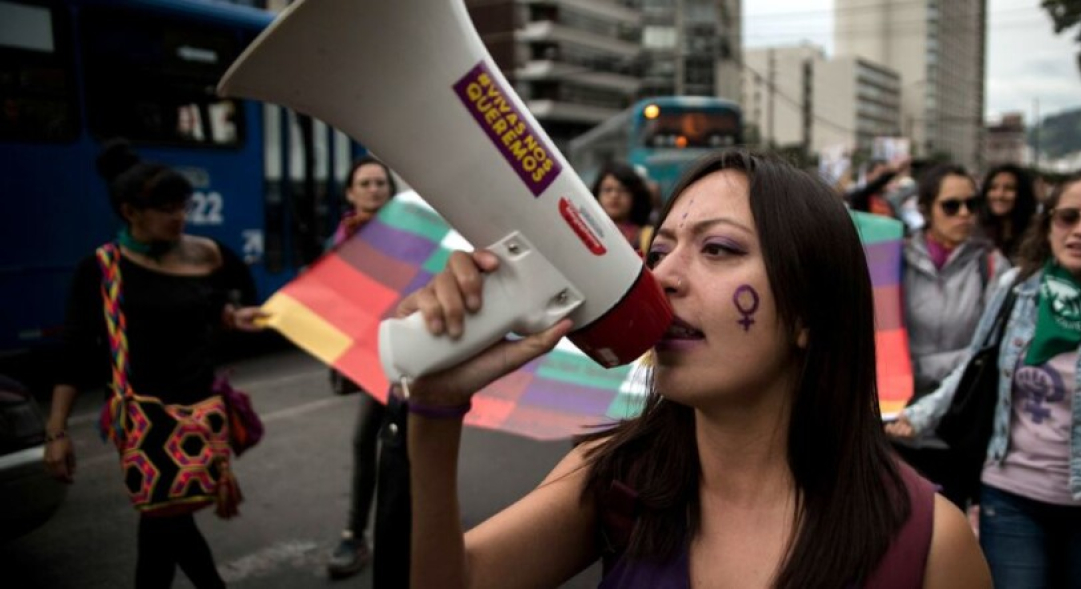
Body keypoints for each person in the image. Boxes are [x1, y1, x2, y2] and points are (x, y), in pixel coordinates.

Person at [396, 150, 990, 588]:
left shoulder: (929, 544)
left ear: (809, 311)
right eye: (659, 252)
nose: (661, 278)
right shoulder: (615, 474)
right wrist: (435, 410)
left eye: (719, 249)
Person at [888, 167, 1081, 588]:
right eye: (1068, 217)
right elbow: (975, 365)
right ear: (1049, 225)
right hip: (1010, 497)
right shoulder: (1017, 287)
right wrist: (920, 415)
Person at [43, 139, 266, 588]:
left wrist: (236, 317)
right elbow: (73, 355)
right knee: (167, 518)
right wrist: (57, 432)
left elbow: (219, 307)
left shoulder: (202, 254)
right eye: (167, 209)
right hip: (146, 422)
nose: (180, 217)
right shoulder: (102, 269)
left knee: (161, 528)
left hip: (200, 415)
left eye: (182, 206)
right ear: (131, 212)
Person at [896, 164, 1009, 509]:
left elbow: (988, 351)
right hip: (895, 424)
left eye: (971, 205)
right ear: (926, 209)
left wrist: (920, 365)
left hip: (956, 428)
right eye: (951, 205)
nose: (964, 214)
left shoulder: (991, 265)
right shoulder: (892, 260)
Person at [324, 155, 398, 579]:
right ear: (351, 193)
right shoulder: (341, 239)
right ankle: (362, 534)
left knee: (386, 445)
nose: (373, 190)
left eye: (380, 183)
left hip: (408, 358)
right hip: (368, 359)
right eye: (365, 184)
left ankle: (366, 535)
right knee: (375, 443)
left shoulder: (410, 235)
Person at [593, 161, 656, 254]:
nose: (614, 195)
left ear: (635, 197)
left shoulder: (649, 238)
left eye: (623, 190)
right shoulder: (587, 230)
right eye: (608, 190)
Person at [978, 163, 1038, 260]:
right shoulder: (976, 234)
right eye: (993, 188)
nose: (999, 195)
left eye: (1009, 189)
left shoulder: (1036, 237)